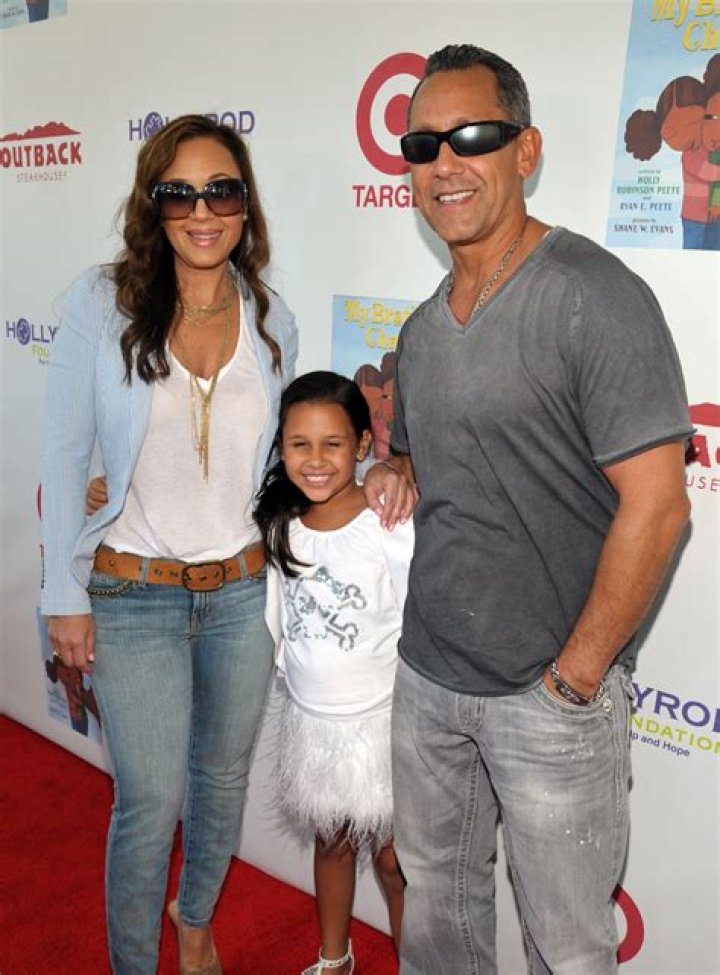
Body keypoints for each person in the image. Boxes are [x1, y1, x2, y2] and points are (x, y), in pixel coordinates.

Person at [364, 45, 693, 974]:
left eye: (474, 135)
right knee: (437, 925)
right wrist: (393, 470)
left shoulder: (594, 296)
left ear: (527, 149)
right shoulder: (421, 329)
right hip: (427, 680)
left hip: (549, 698)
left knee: (570, 949)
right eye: (423, 145)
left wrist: (576, 680)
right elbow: (431, 458)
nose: (445, 162)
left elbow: (660, 507)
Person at [41, 114, 299, 975]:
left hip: (241, 595)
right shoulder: (101, 301)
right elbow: (63, 451)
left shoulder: (273, 318)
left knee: (221, 785)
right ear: (153, 205)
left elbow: (279, 467)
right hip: (131, 593)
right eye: (178, 192)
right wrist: (61, 594)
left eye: (221, 190)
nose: (201, 210)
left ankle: (194, 923)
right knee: (149, 801)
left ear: (245, 204)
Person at [255, 371, 413, 975]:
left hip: (384, 724)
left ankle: (414, 963)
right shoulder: (280, 525)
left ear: (362, 445)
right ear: (281, 446)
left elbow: (416, 614)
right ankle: (334, 958)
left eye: (333, 444)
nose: (316, 460)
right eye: (300, 444)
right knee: (332, 841)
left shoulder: (387, 523)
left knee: (395, 860)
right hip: (313, 724)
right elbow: (278, 615)